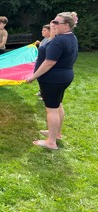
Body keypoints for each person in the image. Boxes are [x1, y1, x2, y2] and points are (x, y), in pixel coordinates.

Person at [26, 12, 78, 150]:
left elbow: (49, 62)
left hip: (53, 79)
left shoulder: (59, 41)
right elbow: (52, 43)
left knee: (52, 109)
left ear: (66, 25)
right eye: (52, 22)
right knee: (58, 105)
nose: (53, 25)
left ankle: (51, 142)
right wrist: (54, 28)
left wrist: (33, 76)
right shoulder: (69, 37)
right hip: (64, 76)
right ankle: (56, 133)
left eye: (56, 23)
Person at [34, 24, 52, 97]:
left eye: (44, 30)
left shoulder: (50, 40)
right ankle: (41, 91)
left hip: (44, 62)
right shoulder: (45, 39)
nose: (42, 31)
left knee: (44, 78)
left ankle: (45, 94)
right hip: (40, 61)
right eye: (42, 30)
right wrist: (39, 43)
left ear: (50, 31)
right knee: (40, 78)